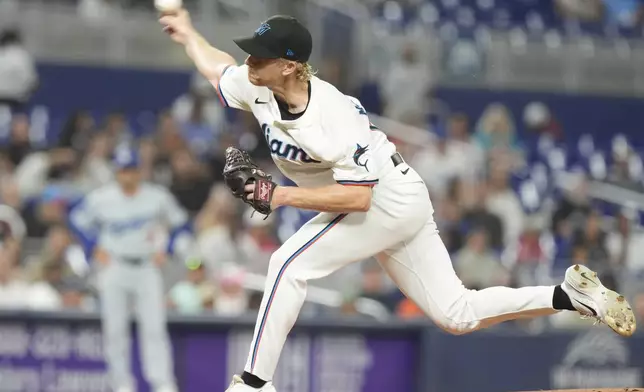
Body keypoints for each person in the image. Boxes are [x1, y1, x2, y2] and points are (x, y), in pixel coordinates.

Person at [159, 11, 636, 392]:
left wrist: (278, 195)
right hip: (389, 199)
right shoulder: (256, 84)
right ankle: (569, 296)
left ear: (289, 65)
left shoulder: (334, 114)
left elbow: (356, 201)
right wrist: (186, 33)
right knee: (456, 313)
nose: (249, 63)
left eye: (259, 57)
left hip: (383, 198)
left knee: (287, 263)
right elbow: (216, 65)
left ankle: (254, 383)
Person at [68, 146, 192, 392]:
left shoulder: (156, 196)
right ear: (117, 172)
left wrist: (166, 248)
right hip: (114, 266)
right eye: (123, 170)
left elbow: (181, 224)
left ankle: (162, 383)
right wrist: (92, 245)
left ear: (139, 171)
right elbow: (75, 219)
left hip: (147, 267)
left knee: (154, 328)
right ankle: (121, 384)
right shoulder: (102, 198)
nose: (127, 175)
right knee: (115, 330)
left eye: (132, 170)